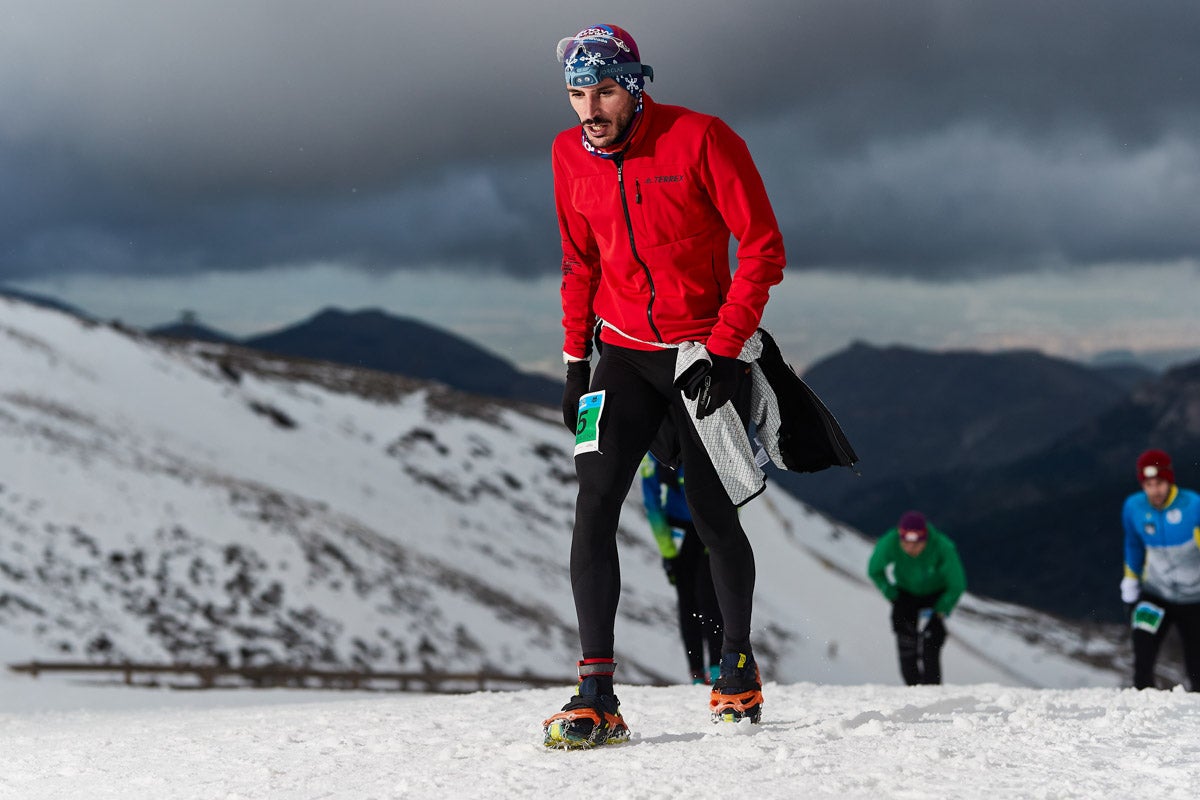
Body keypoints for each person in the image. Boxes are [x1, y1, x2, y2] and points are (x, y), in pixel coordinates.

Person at [542, 22, 787, 747]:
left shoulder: (703, 139)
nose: (591, 110)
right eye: (578, 94)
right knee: (594, 501)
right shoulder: (567, 155)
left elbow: (764, 246)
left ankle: (736, 668)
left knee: (711, 515)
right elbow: (577, 261)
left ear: (637, 83)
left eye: (606, 91)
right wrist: (572, 363)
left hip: (702, 353)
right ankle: (596, 693)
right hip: (620, 353)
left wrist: (724, 348)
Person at [640, 452, 724, 685]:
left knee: (711, 599)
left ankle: (716, 668)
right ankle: (697, 673)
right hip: (679, 532)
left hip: (708, 527)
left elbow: (731, 490)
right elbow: (651, 500)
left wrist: (720, 536)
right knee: (688, 601)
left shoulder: (703, 437)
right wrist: (668, 551)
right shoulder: (655, 450)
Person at [1120, 449, 1200, 691]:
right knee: (1142, 649)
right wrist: (1130, 581)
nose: (1155, 490)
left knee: (1197, 664)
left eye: (1160, 483)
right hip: (1155, 593)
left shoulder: (1193, 506)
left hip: (1194, 598)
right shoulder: (1133, 507)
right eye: (1149, 484)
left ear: (1169, 481)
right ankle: (1143, 707)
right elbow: (1133, 544)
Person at [867, 510, 967, 686]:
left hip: (935, 596)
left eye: (916, 544)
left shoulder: (942, 547)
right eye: (905, 543)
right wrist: (891, 594)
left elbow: (957, 584)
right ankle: (912, 687)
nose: (910, 549)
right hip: (905, 594)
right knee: (905, 639)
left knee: (931, 641)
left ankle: (932, 688)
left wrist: (941, 611)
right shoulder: (890, 542)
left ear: (925, 539)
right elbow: (874, 570)